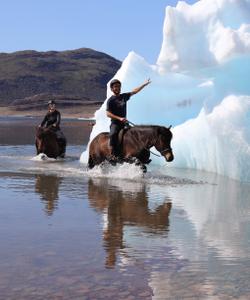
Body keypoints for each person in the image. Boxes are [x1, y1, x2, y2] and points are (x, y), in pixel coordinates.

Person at [106, 78, 151, 160]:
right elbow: (108, 114)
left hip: (124, 123)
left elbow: (134, 91)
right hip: (115, 123)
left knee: (135, 135)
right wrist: (119, 118)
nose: (117, 88)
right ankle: (112, 155)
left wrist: (144, 84)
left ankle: (140, 155)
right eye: (115, 86)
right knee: (113, 134)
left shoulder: (124, 96)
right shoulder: (110, 100)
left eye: (119, 86)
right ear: (112, 89)